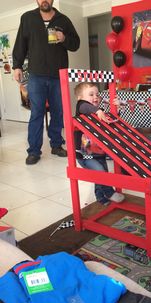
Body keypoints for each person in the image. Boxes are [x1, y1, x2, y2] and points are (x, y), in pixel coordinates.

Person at [12, 0, 80, 165]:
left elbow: (75, 44)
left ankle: (56, 145)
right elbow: (21, 43)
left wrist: (64, 38)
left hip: (59, 75)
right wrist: (17, 66)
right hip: (36, 75)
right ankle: (34, 151)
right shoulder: (27, 18)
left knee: (57, 112)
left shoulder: (63, 20)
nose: (45, 0)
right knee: (37, 113)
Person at [74, 82, 125, 206]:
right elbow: (85, 106)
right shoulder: (82, 107)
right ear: (80, 97)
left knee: (100, 175)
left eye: (97, 94)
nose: (95, 97)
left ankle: (100, 197)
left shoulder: (96, 112)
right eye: (91, 94)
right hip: (85, 154)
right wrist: (98, 110)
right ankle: (109, 192)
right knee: (101, 172)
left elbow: (111, 122)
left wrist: (116, 109)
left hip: (99, 152)